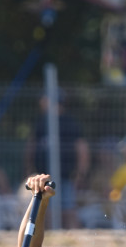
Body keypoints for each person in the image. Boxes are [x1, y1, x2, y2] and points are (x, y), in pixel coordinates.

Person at [25, 93, 90, 229]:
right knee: (44, 210)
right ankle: (49, 239)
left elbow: (81, 149)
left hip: (65, 175)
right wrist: (29, 169)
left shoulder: (69, 123)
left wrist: (80, 173)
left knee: (68, 210)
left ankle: (74, 238)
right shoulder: (42, 122)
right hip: (42, 176)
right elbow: (31, 146)